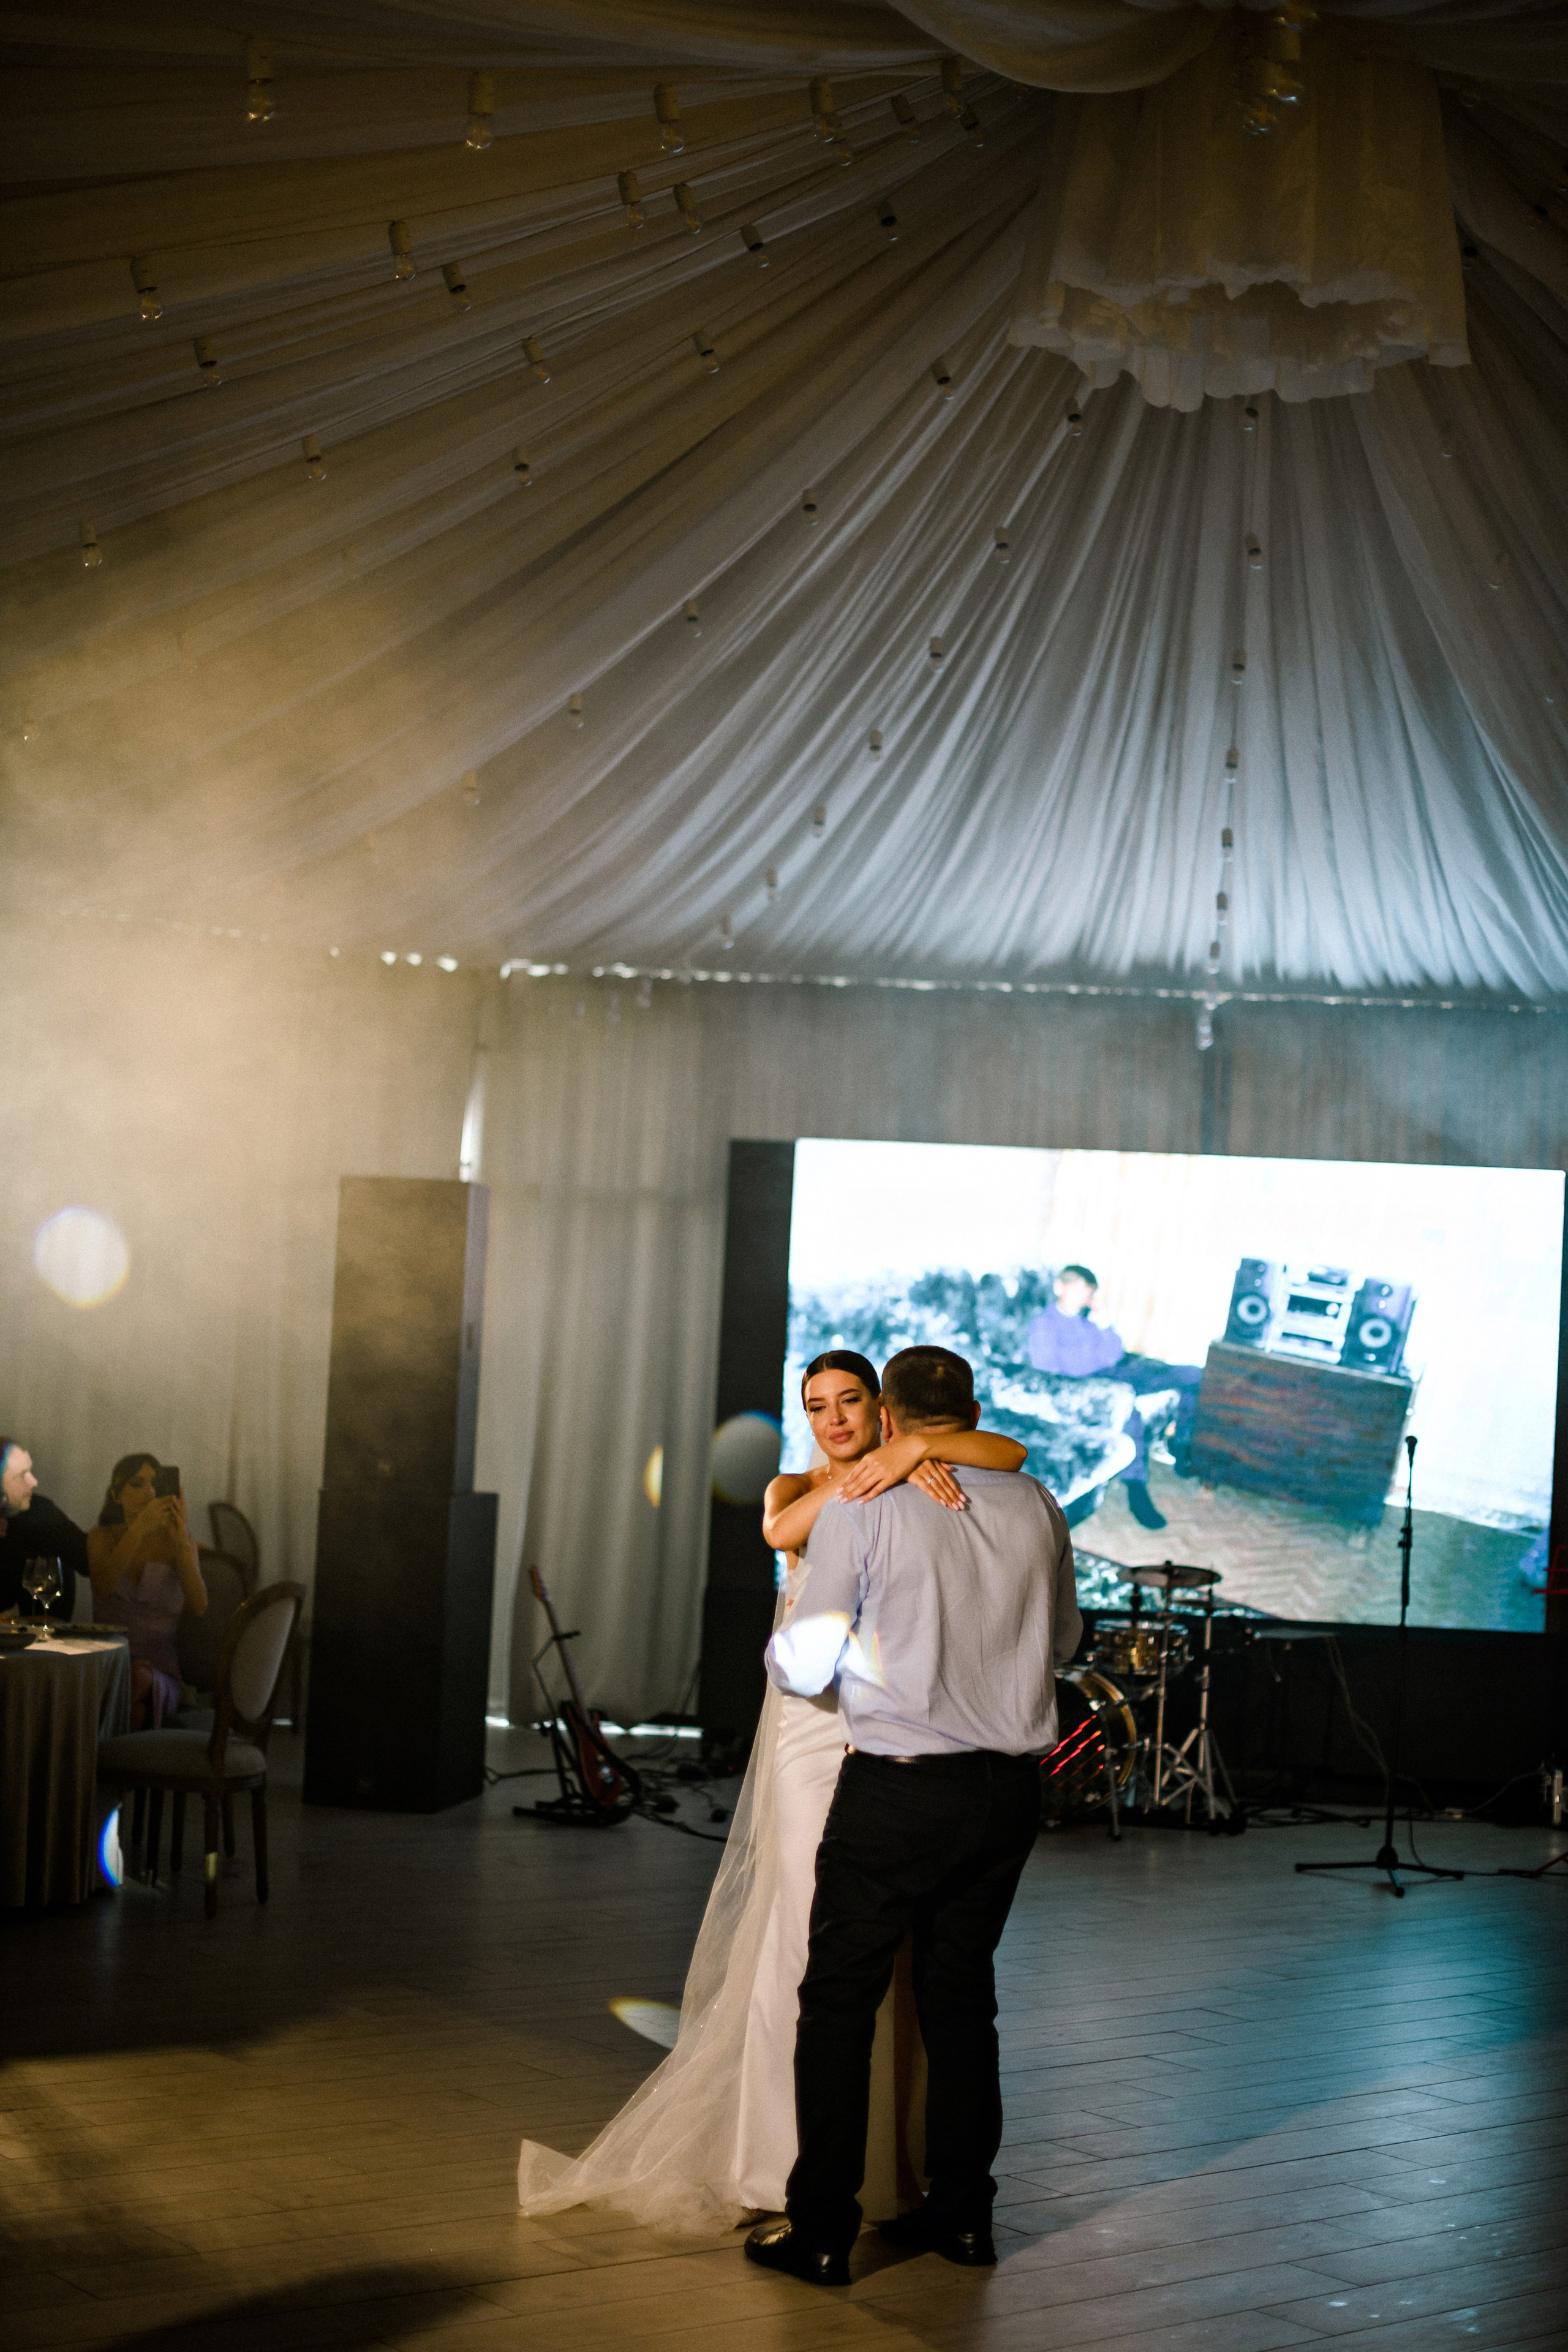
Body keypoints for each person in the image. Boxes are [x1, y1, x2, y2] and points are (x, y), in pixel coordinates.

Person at [514, 1351, 1026, 2233]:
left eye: (850, 1402)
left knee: (904, 1966)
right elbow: (780, 1534)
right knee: (805, 1941)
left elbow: (1010, 1454)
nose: (834, 1420)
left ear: (882, 1410)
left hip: (889, 1734)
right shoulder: (809, 1489)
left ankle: (886, 2170)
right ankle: (781, 2167)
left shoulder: (915, 1478)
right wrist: (890, 1466)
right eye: (816, 1406)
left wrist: (910, 1458)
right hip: (814, 1730)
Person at [747, 1343, 1080, 2288]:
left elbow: (807, 1664)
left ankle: (823, 2230)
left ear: (887, 1419)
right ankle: (963, 2218)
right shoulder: (1039, 1505)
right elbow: (1062, 1639)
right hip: (1008, 1792)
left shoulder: (865, 1506)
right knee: (962, 2002)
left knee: (839, 2003)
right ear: (972, 1413)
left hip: (898, 1788)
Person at [1025, 1263, 1201, 1530]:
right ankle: (1137, 1489)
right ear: (1059, 1287)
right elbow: (1048, 1371)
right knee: (1128, 1408)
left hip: (1114, 1373)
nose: (1084, 1299)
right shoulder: (1044, 1325)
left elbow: (1115, 1356)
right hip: (1084, 1387)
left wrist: (1105, 1325)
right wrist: (1092, 1361)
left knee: (1193, 1375)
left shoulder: (1088, 1322)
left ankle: (1181, 1444)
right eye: (1078, 1291)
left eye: (1088, 1294)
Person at [87, 1454, 206, 1730]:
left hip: (158, 1669)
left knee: (139, 1677)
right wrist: (139, 1529)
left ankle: (93, 1751)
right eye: (137, 1484)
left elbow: (199, 1605)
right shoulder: (100, 1537)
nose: (149, 1492)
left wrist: (181, 1543)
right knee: (137, 1711)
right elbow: (103, 1587)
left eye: (155, 1484)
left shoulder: (178, 1541)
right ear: (116, 1495)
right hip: (108, 1663)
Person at [0, 1438, 89, 1620]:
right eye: (21, 1476)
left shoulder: (42, 1512)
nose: (34, 1482)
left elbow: (87, 1561)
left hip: (47, 1634)